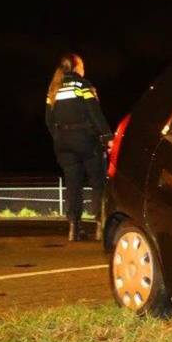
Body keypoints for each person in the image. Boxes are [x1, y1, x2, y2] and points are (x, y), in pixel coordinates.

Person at [45, 53, 112, 241]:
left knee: (73, 185)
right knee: (98, 183)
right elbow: (94, 113)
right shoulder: (83, 85)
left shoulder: (53, 88)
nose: (84, 68)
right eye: (82, 65)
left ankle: (73, 228)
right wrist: (107, 137)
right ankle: (101, 226)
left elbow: (49, 120)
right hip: (87, 141)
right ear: (76, 67)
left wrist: (59, 137)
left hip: (64, 144)